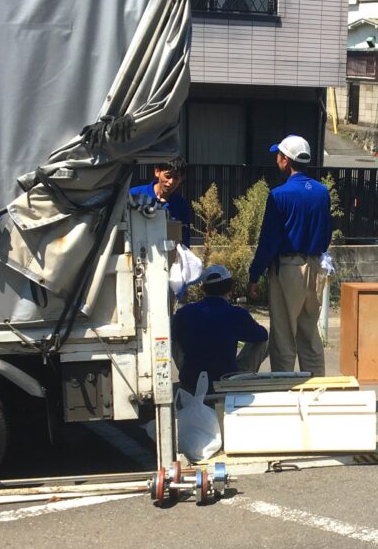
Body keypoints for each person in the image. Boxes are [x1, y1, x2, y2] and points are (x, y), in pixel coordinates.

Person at [242, 135, 331, 376]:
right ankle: (316, 387)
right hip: (316, 265)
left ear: (286, 160)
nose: (276, 160)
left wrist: (254, 275)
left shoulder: (279, 195)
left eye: (278, 156)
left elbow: (269, 241)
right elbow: (326, 235)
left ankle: (284, 388)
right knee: (309, 331)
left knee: (283, 332)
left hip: (288, 267)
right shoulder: (322, 193)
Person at [170, 265, 268, 394]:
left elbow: (173, 337)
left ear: (203, 289)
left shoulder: (185, 312)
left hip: (192, 381)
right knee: (266, 338)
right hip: (226, 379)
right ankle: (241, 376)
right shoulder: (236, 314)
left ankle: (187, 374)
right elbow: (262, 335)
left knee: (172, 338)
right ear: (230, 288)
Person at [128, 156, 192, 246]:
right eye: (168, 176)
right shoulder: (134, 195)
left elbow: (184, 239)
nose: (171, 182)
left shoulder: (181, 204)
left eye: (176, 178)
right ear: (157, 171)